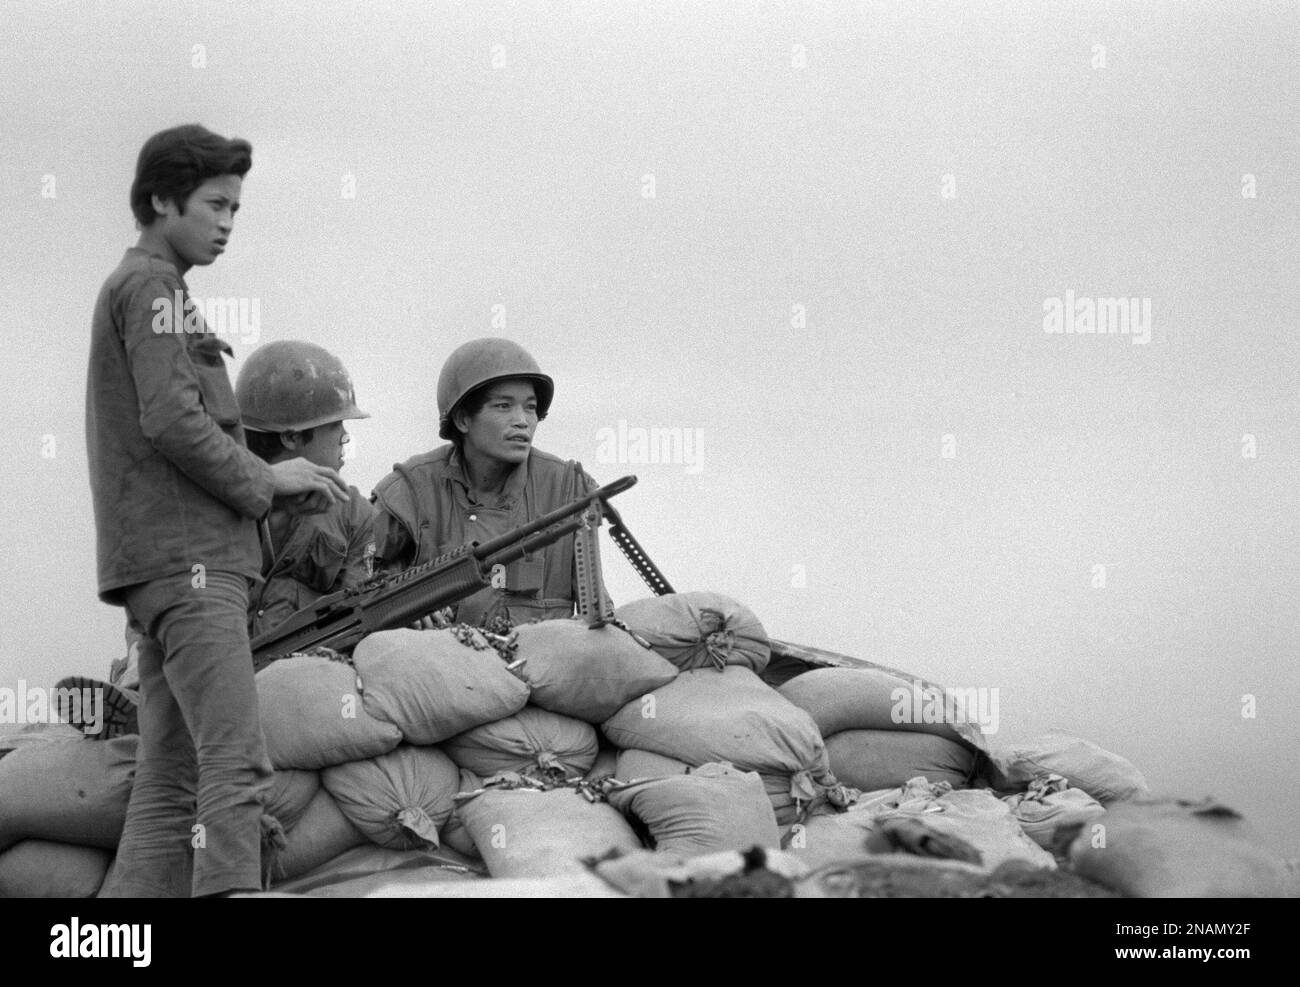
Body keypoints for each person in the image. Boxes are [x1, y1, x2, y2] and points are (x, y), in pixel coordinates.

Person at [86, 124, 349, 898]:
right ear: (162, 201)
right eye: (214, 204)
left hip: (165, 567)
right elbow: (173, 420)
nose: (228, 222)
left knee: (168, 779)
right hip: (191, 565)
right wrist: (268, 480)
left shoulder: (149, 288)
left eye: (235, 207)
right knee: (237, 762)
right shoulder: (153, 290)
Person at [371, 337, 610, 625]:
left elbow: (596, 616)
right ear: (463, 419)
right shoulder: (409, 492)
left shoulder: (567, 489)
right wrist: (403, 607)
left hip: (537, 653)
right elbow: (358, 595)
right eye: (503, 406)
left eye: (530, 407)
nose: (522, 420)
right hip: (438, 651)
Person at [236, 340, 377, 640]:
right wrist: (266, 486)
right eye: (335, 424)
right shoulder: (211, 497)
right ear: (291, 436)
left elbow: (356, 618)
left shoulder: (354, 515)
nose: (345, 437)